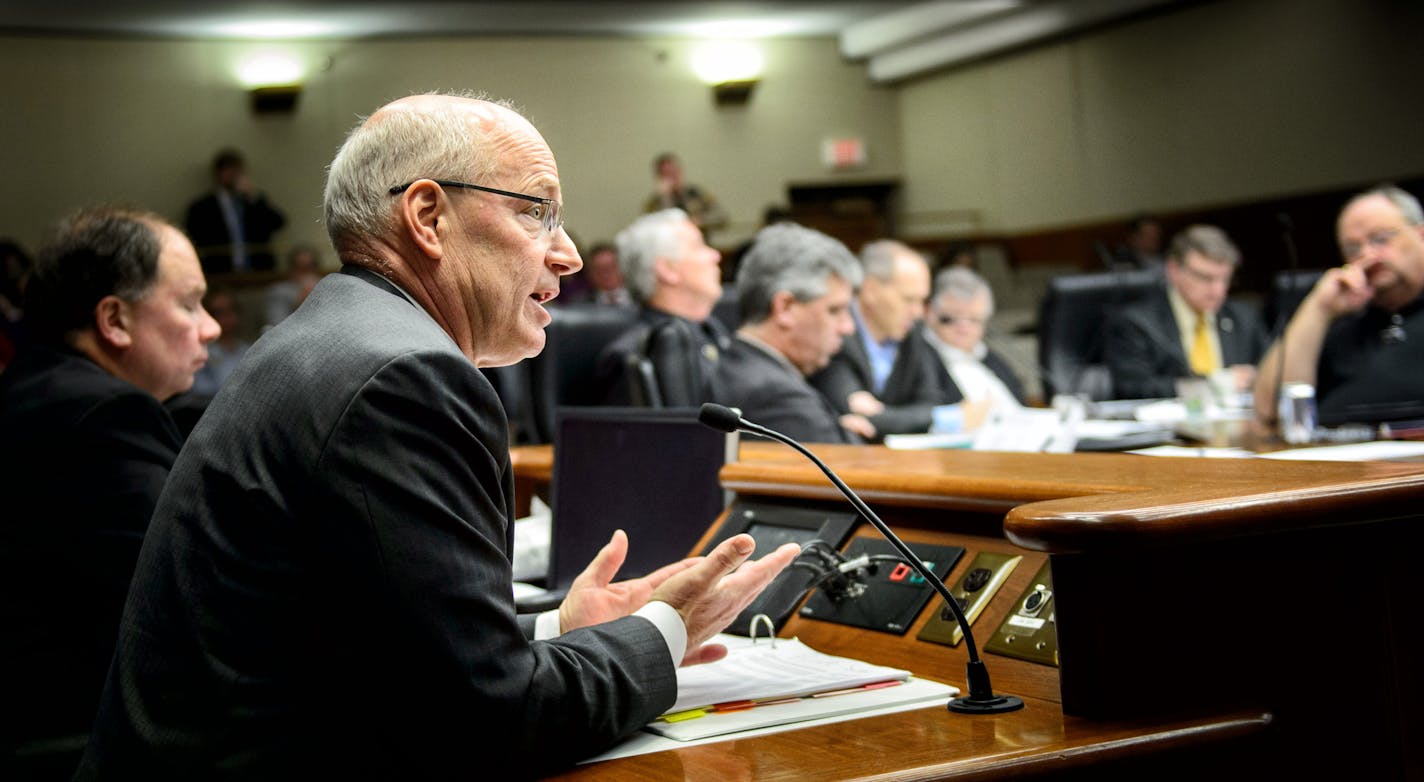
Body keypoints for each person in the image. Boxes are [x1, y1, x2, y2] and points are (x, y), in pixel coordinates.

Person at [77, 93, 799, 780]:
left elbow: (383, 655)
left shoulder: (338, 335)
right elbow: (491, 724)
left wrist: (561, 632)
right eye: (538, 212)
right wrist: (667, 632)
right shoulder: (404, 376)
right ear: (427, 215)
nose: (569, 254)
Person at [0, 207, 219, 768]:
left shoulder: (45, 387)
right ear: (114, 320)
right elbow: (183, 591)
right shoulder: (101, 415)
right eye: (189, 303)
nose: (211, 326)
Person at [1253, 185, 1424, 428]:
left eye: (1381, 239)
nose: (1368, 255)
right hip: (1340, 454)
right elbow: (1270, 409)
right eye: (1353, 249)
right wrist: (1318, 309)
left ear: (1421, 235)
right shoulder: (1339, 316)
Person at [712, 222, 870, 443]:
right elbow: (846, 475)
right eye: (835, 310)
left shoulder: (731, 365)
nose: (848, 327)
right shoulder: (777, 399)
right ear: (785, 308)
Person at [1104, 224, 1267, 400]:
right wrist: (1214, 384)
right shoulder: (1137, 322)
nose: (1218, 291)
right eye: (1205, 278)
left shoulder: (1244, 317)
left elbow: (1270, 371)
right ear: (1174, 270)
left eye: (1225, 279)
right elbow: (1133, 388)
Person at [593, 208, 729, 406]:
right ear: (667, 269)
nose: (715, 255)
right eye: (699, 246)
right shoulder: (636, 358)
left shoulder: (715, 332)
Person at [811, 239, 945, 439]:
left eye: (922, 300)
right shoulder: (837, 331)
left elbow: (933, 403)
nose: (918, 312)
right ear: (871, 290)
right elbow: (850, 411)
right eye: (908, 299)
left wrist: (884, 418)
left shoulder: (912, 331)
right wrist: (935, 418)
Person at [920, 267, 1027, 429]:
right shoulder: (919, 359)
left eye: (974, 319)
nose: (964, 328)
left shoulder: (992, 359)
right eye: (951, 318)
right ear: (929, 313)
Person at [184, 148, 288, 274]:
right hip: (219, 271)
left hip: (259, 270)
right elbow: (194, 236)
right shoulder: (202, 207)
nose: (233, 175)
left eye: (237, 171)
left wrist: (253, 198)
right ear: (218, 173)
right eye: (228, 171)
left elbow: (279, 223)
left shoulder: (253, 201)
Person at [643, 152, 728, 239]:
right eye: (667, 174)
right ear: (659, 176)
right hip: (669, 248)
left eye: (674, 172)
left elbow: (721, 216)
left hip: (698, 245)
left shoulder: (696, 193)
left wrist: (700, 220)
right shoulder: (654, 202)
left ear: (680, 171)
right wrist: (665, 198)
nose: (672, 177)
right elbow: (652, 227)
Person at [190, 287, 251, 395]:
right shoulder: (199, 353)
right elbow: (198, 388)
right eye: (218, 313)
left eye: (230, 311)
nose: (227, 319)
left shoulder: (249, 350)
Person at [262, 243, 322, 330]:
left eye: (310, 267)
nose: (307, 273)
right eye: (302, 268)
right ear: (291, 270)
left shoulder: (325, 287)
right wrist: (301, 303)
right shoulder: (278, 292)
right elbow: (276, 327)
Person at [571, 241, 633, 306]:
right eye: (599, 270)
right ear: (589, 273)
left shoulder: (641, 300)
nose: (605, 274)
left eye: (611, 267)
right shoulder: (579, 304)